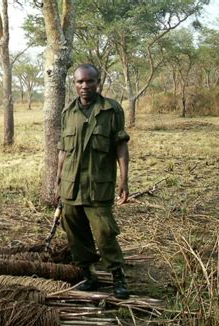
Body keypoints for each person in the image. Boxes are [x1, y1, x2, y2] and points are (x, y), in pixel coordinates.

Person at [55, 63, 130, 299]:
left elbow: (121, 145)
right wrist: (58, 182)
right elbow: (63, 150)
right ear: (74, 84)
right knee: (75, 234)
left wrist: (124, 179)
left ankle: (118, 277)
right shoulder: (68, 112)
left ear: (98, 83)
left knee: (104, 233)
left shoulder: (111, 110)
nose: (85, 86)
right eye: (80, 82)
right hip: (71, 186)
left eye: (90, 81)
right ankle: (89, 275)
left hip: (99, 186)